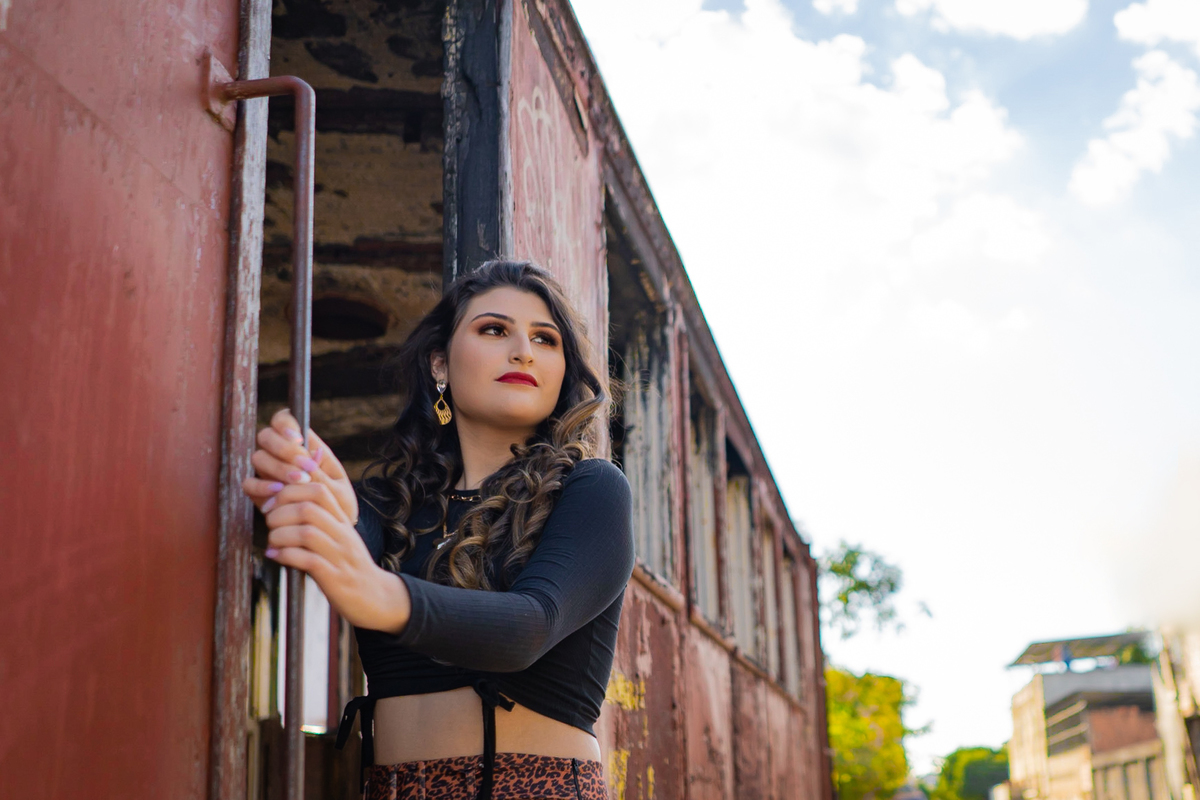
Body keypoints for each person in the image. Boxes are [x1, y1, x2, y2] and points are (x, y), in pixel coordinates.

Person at [241, 260, 635, 800]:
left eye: (545, 339)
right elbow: (340, 543)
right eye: (494, 329)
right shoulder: (386, 504)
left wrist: (381, 593)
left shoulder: (591, 489)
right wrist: (310, 494)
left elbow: (530, 626)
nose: (523, 350)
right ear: (440, 363)